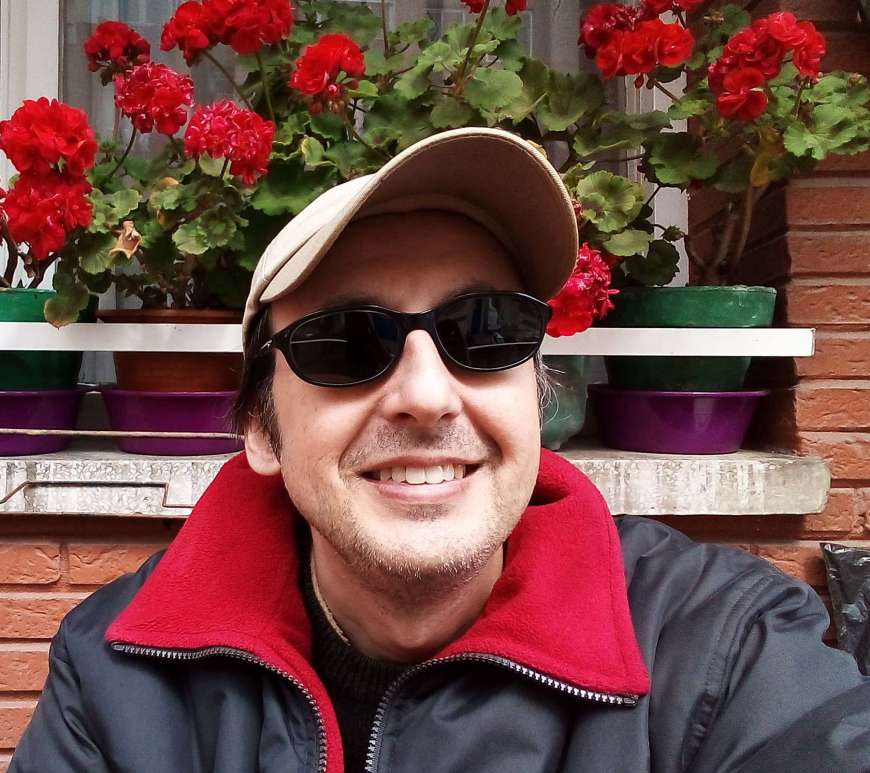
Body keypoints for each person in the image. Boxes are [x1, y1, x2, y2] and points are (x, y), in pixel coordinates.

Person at [10, 127, 870, 773]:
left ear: (537, 395)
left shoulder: (724, 651)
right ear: (262, 431)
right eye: (348, 341)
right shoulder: (118, 676)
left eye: (484, 330)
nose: (426, 394)